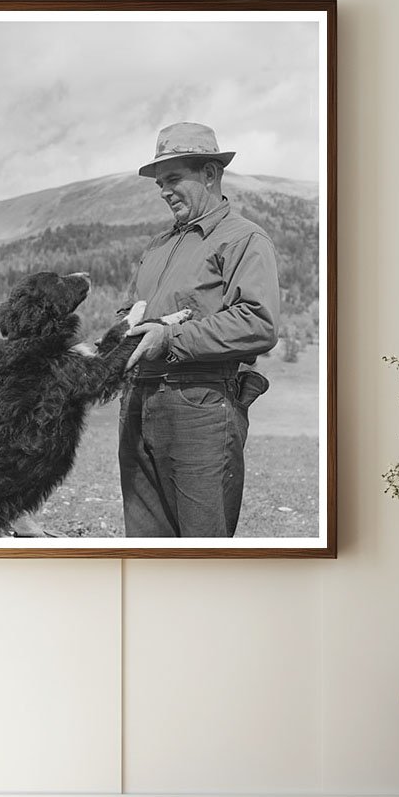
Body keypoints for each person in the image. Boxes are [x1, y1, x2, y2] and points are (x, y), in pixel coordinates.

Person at [119, 122, 281, 537]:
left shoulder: (244, 238)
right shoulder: (157, 246)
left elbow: (258, 322)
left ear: (210, 173)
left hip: (201, 407)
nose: (164, 191)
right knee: (146, 548)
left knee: (204, 549)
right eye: (159, 183)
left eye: (173, 179)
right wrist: (123, 330)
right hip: (138, 402)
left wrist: (170, 337)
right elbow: (139, 311)